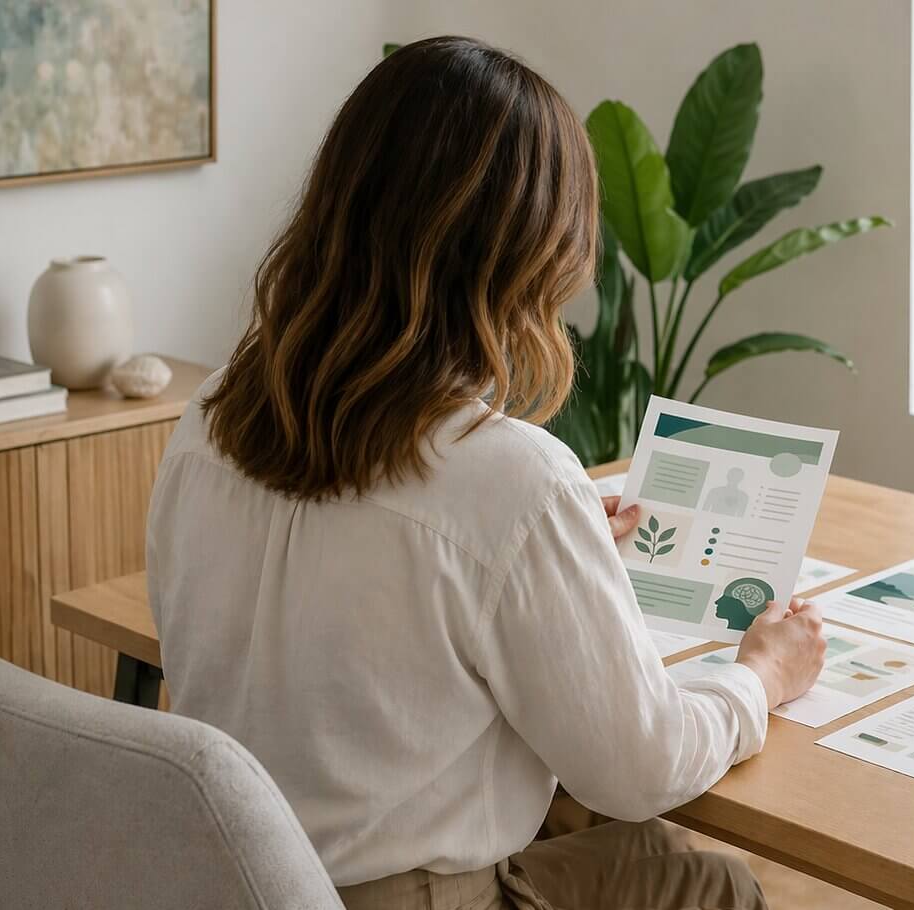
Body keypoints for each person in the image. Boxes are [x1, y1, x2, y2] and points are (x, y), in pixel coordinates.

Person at [145, 37, 826, 910]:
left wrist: (553, 550)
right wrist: (760, 676)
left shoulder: (211, 417)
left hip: (234, 879)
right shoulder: (510, 479)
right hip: (408, 898)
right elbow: (641, 769)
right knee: (697, 878)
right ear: (527, 256)